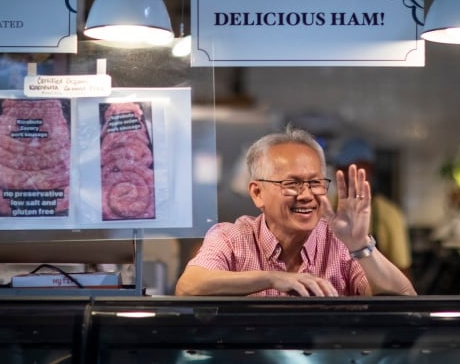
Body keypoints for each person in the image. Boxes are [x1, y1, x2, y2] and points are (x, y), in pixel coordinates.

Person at [175, 126, 415, 297]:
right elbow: (189, 286)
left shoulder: (340, 244)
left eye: (314, 183)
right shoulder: (232, 238)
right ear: (257, 193)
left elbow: (405, 296)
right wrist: (271, 279)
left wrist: (360, 245)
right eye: (291, 184)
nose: (307, 195)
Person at [329, 138, 413, 278]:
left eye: (356, 171)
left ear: (369, 171)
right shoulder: (323, 208)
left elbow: (402, 271)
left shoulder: (390, 214)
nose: (349, 178)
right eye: (342, 170)